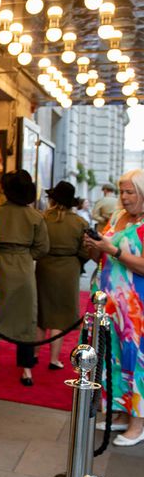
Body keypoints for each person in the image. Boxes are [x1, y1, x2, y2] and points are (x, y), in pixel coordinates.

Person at [0, 170, 49, 387]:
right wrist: (24, 256)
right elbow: (43, 248)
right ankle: (26, 370)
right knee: (26, 319)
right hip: (24, 271)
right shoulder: (35, 216)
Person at [84, 168, 144, 447]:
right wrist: (94, 245)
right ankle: (119, 410)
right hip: (107, 301)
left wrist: (114, 250)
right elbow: (100, 255)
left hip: (136, 307)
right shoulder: (118, 216)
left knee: (137, 361)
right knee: (113, 358)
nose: (124, 196)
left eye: (130, 191)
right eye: (122, 191)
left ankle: (138, 422)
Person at [35, 181, 89, 370]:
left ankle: (34, 355)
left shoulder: (43, 217)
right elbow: (86, 250)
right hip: (69, 269)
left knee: (42, 312)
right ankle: (54, 359)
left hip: (44, 266)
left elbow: (37, 244)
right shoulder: (80, 222)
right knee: (61, 315)